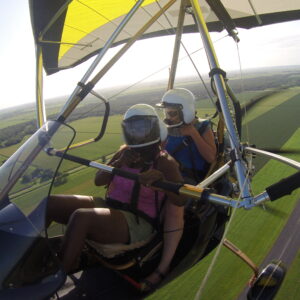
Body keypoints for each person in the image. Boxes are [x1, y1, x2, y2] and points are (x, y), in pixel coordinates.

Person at [46, 104, 185, 291]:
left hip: (138, 222)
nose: (138, 133)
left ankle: (57, 279)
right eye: (133, 128)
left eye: (143, 127)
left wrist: (161, 181)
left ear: (154, 128)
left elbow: (180, 200)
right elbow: (98, 180)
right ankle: (22, 260)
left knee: (81, 217)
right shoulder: (123, 152)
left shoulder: (164, 162)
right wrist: (119, 163)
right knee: (50, 203)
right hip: (111, 206)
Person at [156, 88, 217, 184]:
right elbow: (158, 154)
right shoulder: (167, 128)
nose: (168, 118)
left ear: (186, 111)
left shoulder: (201, 127)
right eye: (166, 113)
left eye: (172, 113)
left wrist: (193, 133)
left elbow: (211, 158)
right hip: (169, 174)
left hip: (192, 179)